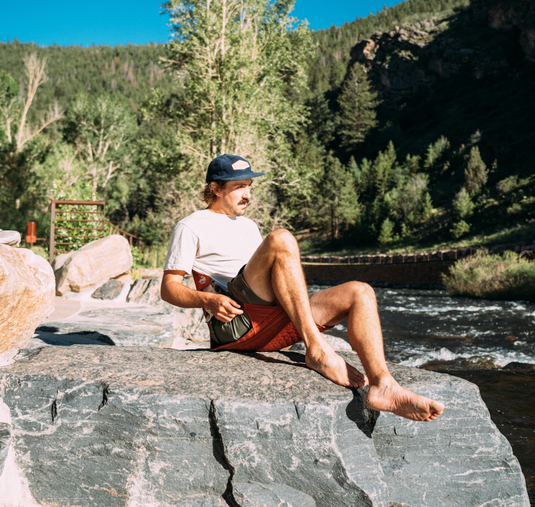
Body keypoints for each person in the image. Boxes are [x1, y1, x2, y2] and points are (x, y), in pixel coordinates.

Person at [161, 154, 445, 422]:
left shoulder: (247, 226)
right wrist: (206, 300)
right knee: (281, 238)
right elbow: (169, 288)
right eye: (239, 187)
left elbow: (270, 280)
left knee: (361, 292)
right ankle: (317, 350)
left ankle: (383, 385)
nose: (248, 194)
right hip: (236, 323)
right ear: (216, 188)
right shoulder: (190, 226)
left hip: (272, 320)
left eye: (249, 186)